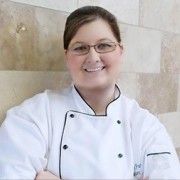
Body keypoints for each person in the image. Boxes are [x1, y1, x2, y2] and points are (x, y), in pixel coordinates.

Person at [0, 5, 180, 180]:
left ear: (120, 51)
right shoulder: (33, 116)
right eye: (80, 48)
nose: (93, 57)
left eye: (104, 46)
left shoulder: (146, 126)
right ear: (67, 56)